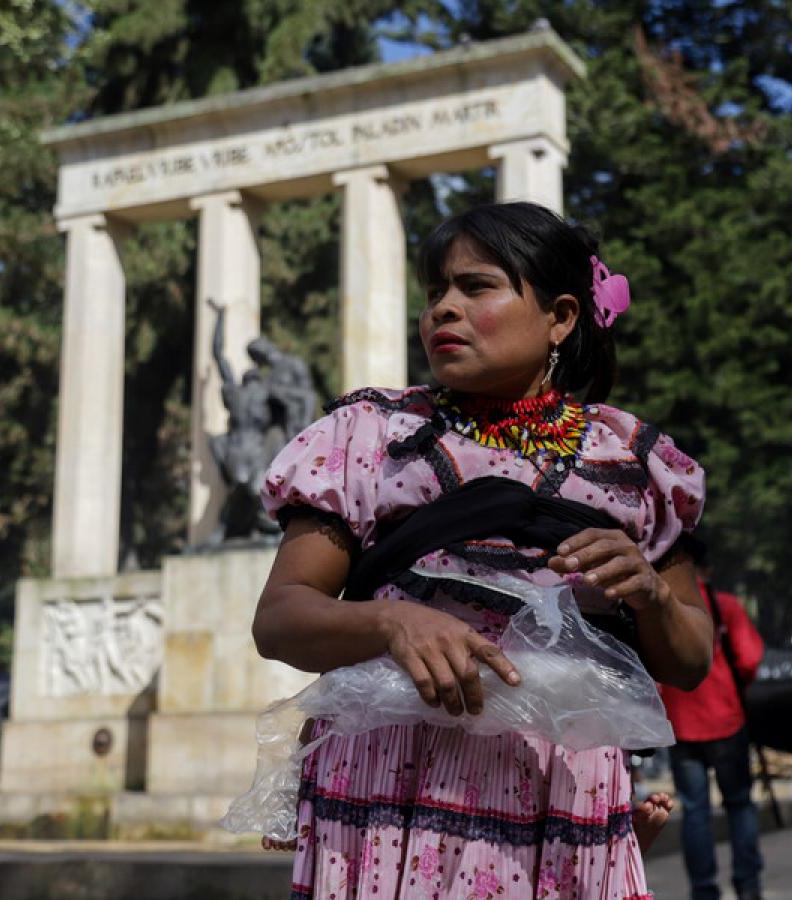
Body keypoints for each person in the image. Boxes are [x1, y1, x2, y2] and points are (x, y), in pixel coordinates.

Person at [250, 201, 713, 898]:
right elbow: (280, 619)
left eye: (476, 287)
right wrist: (389, 622)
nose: (443, 309)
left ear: (560, 316)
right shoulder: (368, 438)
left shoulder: (637, 465)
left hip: (562, 791)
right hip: (387, 791)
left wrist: (649, 594)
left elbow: (690, 661)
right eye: (435, 292)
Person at [658, 584, 765, 900]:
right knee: (740, 804)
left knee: (694, 811)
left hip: (680, 723)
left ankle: (703, 891)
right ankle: (748, 886)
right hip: (725, 717)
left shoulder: (661, 603)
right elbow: (749, 658)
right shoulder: (724, 605)